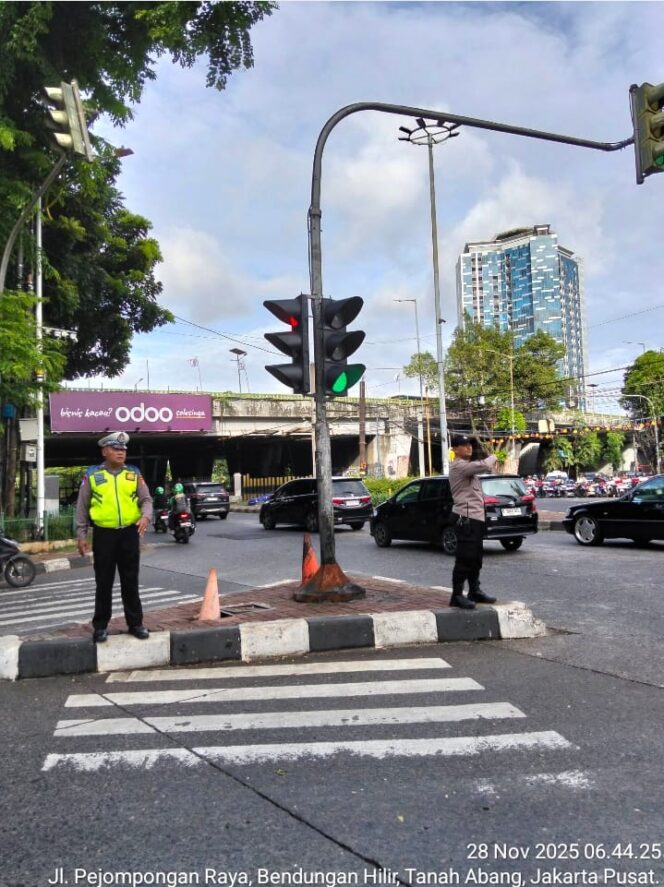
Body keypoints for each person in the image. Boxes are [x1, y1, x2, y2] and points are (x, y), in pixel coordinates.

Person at [76, 432, 152, 642]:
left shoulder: (133, 474)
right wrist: (81, 534)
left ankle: (135, 624)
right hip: (104, 535)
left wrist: (145, 516)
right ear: (104, 451)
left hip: (129, 533)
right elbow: (82, 507)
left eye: (123, 449)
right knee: (103, 582)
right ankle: (100, 626)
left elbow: (146, 499)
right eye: (116, 449)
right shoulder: (92, 475)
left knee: (131, 580)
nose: (121, 453)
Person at [448, 433, 498, 610]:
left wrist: (480, 447)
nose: (469, 447)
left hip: (475, 517)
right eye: (464, 445)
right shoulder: (459, 466)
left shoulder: (468, 466)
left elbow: (479, 462)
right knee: (465, 557)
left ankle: (474, 590)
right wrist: (494, 455)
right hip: (466, 517)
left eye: (470, 444)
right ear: (455, 449)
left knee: (476, 558)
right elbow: (484, 464)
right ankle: (456, 595)